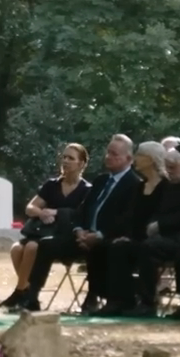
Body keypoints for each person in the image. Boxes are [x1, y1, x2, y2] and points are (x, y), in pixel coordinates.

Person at [31, 134, 139, 313]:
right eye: (108, 152)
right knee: (46, 244)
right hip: (83, 236)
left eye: (114, 154)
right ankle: (31, 297)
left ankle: (96, 297)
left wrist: (99, 235)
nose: (108, 157)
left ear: (129, 159)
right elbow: (82, 210)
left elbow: (126, 219)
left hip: (107, 238)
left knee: (101, 248)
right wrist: (79, 230)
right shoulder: (101, 181)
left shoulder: (134, 184)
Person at [117, 147, 180, 319]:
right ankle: (129, 299)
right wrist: (153, 224)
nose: (168, 171)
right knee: (129, 246)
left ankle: (149, 302)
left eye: (172, 167)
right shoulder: (171, 185)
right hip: (169, 236)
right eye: (167, 167)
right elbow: (161, 210)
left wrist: (160, 225)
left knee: (149, 247)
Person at [0, 143, 93, 310]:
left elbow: (81, 215)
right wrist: (41, 213)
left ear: (81, 164)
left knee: (31, 247)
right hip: (42, 231)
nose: (65, 161)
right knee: (16, 249)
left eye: (71, 158)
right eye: (64, 157)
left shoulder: (86, 190)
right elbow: (30, 208)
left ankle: (21, 294)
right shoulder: (52, 185)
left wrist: (57, 212)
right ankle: (25, 291)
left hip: (64, 235)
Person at [99, 140, 169, 315]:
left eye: (139, 155)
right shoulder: (139, 186)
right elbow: (130, 217)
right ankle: (120, 301)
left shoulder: (167, 186)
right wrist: (127, 235)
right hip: (137, 237)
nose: (135, 158)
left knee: (146, 249)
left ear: (150, 159)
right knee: (117, 247)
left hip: (157, 239)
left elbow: (164, 216)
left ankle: (148, 303)